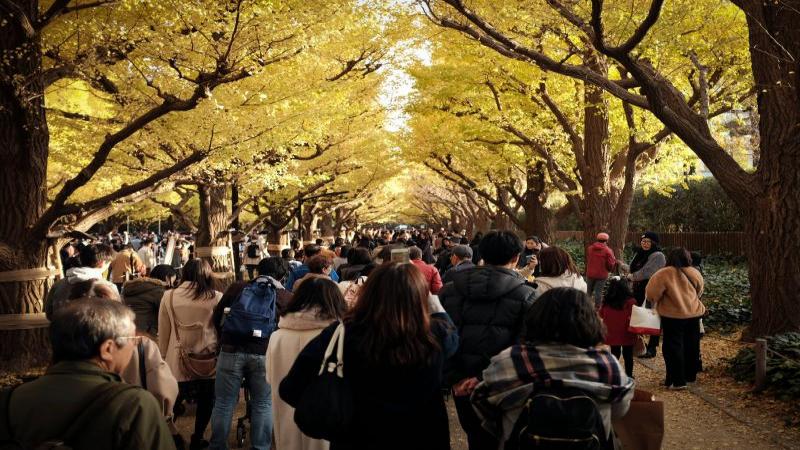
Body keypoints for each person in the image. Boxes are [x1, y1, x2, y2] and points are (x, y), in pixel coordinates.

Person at [279, 262, 458, 450]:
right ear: (420, 297)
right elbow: (453, 340)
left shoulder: (343, 333)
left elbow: (290, 388)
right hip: (423, 436)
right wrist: (434, 304)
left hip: (356, 438)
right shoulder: (435, 335)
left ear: (368, 294)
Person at [471, 288, 634, 449]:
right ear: (592, 321)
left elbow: (483, 403)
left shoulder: (512, 360)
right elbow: (620, 411)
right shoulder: (607, 364)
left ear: (536, 318)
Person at [1, 300, 176, 449]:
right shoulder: (135, 405)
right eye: (132, 339)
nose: (134, 346)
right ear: (108, 349)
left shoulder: (8, 401)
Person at [438, 230, 536, 450]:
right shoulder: (528, 296)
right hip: (508, 386)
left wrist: (455, 377)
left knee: (476, 437)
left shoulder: (449, 291)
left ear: (481, 255)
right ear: (516, 258)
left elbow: (438, 337)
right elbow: (526, 346)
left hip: (462, 384)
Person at [267, 277, 347, 450]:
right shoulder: (337, 338)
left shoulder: (277, 337)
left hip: (287, 425)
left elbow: (269, 378)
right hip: (324, 423)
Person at [158, 259, 223, 450]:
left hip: (176, 358)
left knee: (173, 399)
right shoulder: (216, 297)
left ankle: (169, 435)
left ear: (184, 273)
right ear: (207, 274)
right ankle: (198, 437)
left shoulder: (168, 296)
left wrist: (163, 356)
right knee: (206, 400)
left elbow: (164, 331)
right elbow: (220, 328)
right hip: (207, 358)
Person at [209, 281, 276, 450]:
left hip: (231, 350)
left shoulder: (237, 288)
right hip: (263, 353)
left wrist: (224, 339)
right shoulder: (281, 294)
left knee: (223, 402)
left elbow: (217, 317)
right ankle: (260, 446)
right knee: (263, 402)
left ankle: (217, 446)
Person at [646, 248, 705, 390]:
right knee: (692, 345)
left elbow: (651, 294)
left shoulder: (664, 273)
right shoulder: (694, 272)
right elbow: (700, 291)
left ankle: (677, 380)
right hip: (694, 314)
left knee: (673, 347)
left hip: (672, 316)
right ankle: (690, 376)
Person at [621, 231, 666, 358]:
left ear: (654, 243)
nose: (645, 244)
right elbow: (632, 267)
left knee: (653, 317)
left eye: (648, 242)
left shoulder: (658, 255)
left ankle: (652, 348)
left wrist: (632, 276)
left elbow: (648, 272)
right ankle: (638, 344)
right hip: (637, 289)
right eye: (643, 241)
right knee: (636, 314)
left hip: (652, 290)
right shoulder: (639, 253)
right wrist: (623, 267)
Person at [45, 243, 116, 320]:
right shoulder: (109, 287)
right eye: (109, 263)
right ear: (101, 263)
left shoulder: (59, 284)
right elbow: (118, 315)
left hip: (62, 330)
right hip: (98, 331)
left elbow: (49, 313)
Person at [123, 264, 176, 338]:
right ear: (167, 278)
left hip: (126, 331)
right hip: (145, 335)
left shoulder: (133, 287)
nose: (172, 285)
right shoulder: (159, 292)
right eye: (172, 282)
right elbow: (169, 315)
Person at [599, 277, 638, 377]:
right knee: (628, 355)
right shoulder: (631, 301)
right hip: (627, 332)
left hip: (612, 332)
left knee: (615, 353)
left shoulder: (607, 301)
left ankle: (615, 374)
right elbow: (635, 316)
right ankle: (629, 375)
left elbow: (601, 314)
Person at [586, 232, 618, 307]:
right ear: (606, 241)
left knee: (588, 292)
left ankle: (585, 306)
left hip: (590, 273)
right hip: (601, 275)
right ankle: (597, 308)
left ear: (597, 239)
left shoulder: (590, 248)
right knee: (598, 292)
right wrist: (609, 269)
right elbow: (611, 263)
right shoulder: (608, 250)